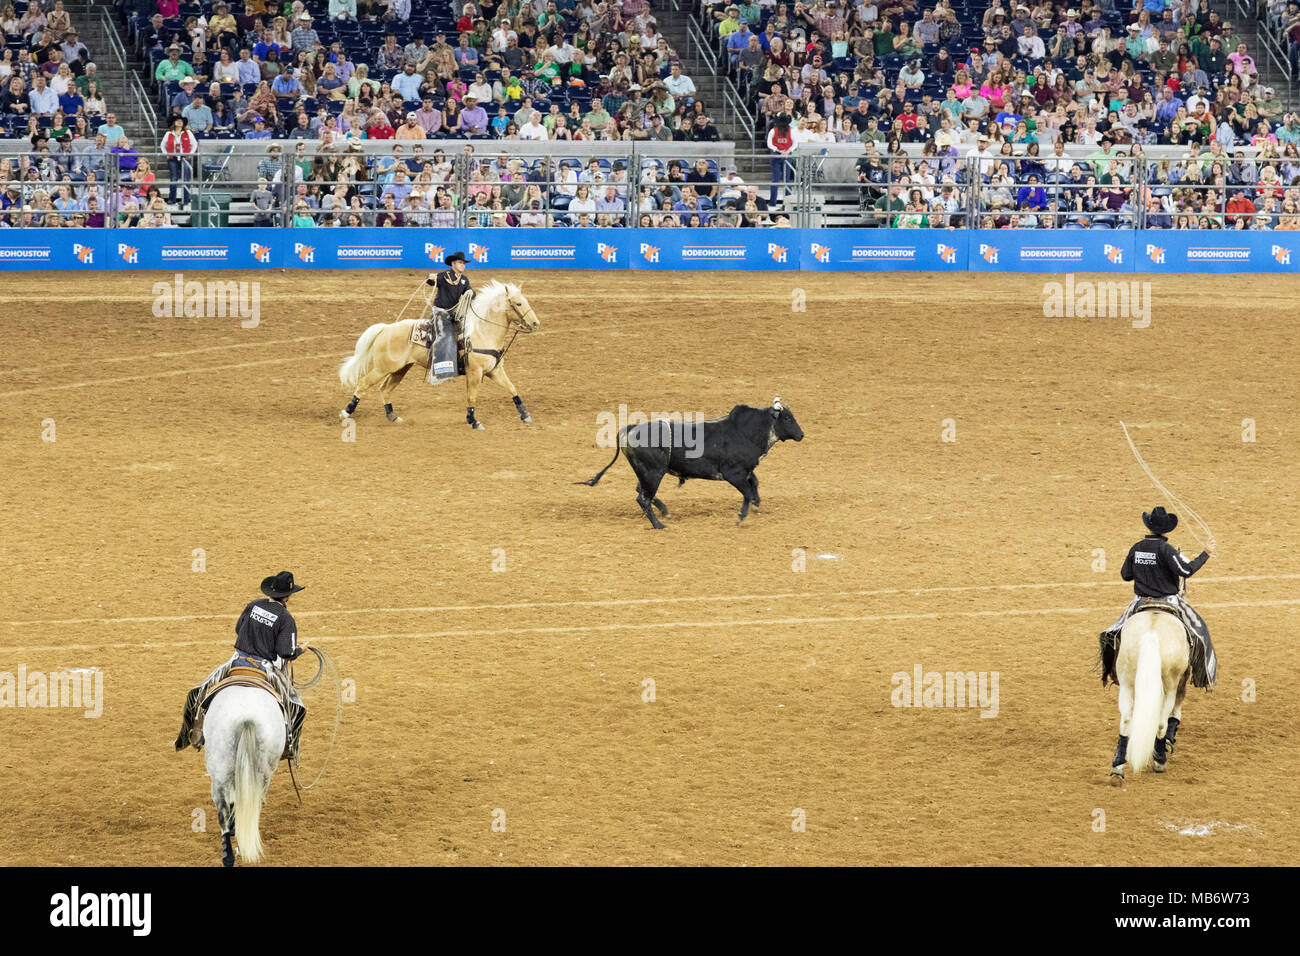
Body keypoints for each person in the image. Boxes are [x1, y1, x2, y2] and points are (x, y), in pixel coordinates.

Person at [174, 572, 309, 763]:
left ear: (271, 591)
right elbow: (285, 652)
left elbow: (239, 629)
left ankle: (196, 730)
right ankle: (289, 745)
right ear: (287, 596)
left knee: (199, 691)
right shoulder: (286, 618)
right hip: (265, 668)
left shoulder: (253, 605)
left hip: (237, 661)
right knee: (296, 705)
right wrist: (299, 650)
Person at [1099, 507, 1217, 693]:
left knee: (1111, 633)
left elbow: (1125, 575)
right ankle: (1204, 674)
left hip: (1140, 602)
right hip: (1168, 601)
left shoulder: (1137, 548)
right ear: (1166, 529)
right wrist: (1205, 554)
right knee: (1200, 632)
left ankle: (1112, 671)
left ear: (1149, 526)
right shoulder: (1166, 550)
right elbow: (1186, 571)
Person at [421, 250, 474, 382]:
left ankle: (458, 364)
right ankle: (437, 373)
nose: (463, 265)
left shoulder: (463, 280)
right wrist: (430, 277)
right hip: (440, 312)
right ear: (453, 264)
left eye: (464, 263)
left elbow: (471, 292)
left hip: (454, 314)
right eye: (460, 263)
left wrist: (470, 293)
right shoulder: (444, 276)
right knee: (445, 337)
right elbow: (431, 281)